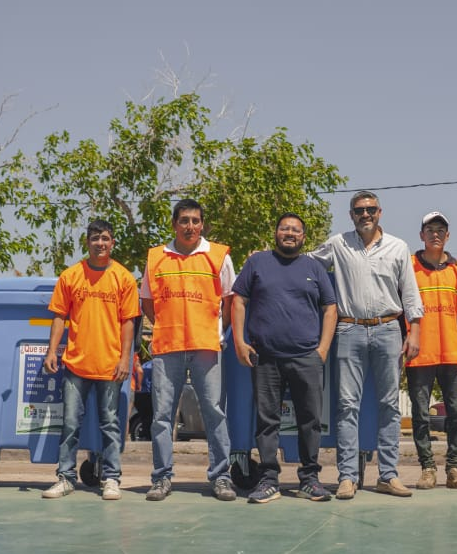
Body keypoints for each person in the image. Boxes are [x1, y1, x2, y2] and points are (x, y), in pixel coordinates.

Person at [308, 191, 424, 499]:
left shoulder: (398, 247)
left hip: (388, 329)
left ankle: (388, 475)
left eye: (371, 209)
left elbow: (410, 292)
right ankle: (347, 477)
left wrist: (414, 331)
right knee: (347, 405)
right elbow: (306, 262)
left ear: (379, 212)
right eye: (359, 210)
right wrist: (267, 258)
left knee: (389, 405)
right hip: (349, 329)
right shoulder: (338, 244)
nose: (365, 215)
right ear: (351, 215)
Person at [230, 212, 338, 504]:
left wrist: (322, 350)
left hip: (306, 358)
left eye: (296, 230)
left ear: (303, 237)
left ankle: (310, 479)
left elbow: (330, 308)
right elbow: (238, 300)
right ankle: (268, 480)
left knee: (310, 421)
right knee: (267, 421)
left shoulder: (313, 268)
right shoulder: (257, 262)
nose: (290, 233)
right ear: (276, 233)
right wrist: (239, 342)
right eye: (285, 228)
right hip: (266, 358)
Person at [141, 198, 237, 501]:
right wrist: (165, 326)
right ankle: (161, 478)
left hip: (206, 346)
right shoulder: (156, 257)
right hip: (167, 346)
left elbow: (229, 300)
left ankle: (221, 477)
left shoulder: (218, 256)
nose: (190, 226)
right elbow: (147, 301)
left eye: (195, 221)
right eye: (184, 220)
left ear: (202, 224)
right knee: (161, 416)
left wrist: (217, 331)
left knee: (215, 413)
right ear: (174, 224)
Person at [41, 220, 140, 501]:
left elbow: (128, 323)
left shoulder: (123, 278)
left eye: (105, 238)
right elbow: (59, 316)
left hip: (110, 366)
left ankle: (112, 479)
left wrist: (125, 358)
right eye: (95, 238)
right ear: (87, 242)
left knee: (110, 425)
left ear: (112, 243)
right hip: (75, 364)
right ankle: (65, 478)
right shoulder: (71, 276)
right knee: (70, 424)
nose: (100, 243)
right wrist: (51, 351)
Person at [407, 210, 457, 489]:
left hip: (451, 352)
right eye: (430, 230)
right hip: (419, 353)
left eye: (441, 230)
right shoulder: (408, 266)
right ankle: (427, 468)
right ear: (421, 235)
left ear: (448, 235)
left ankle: (454, 468)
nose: (436, 234)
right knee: (421, 414)